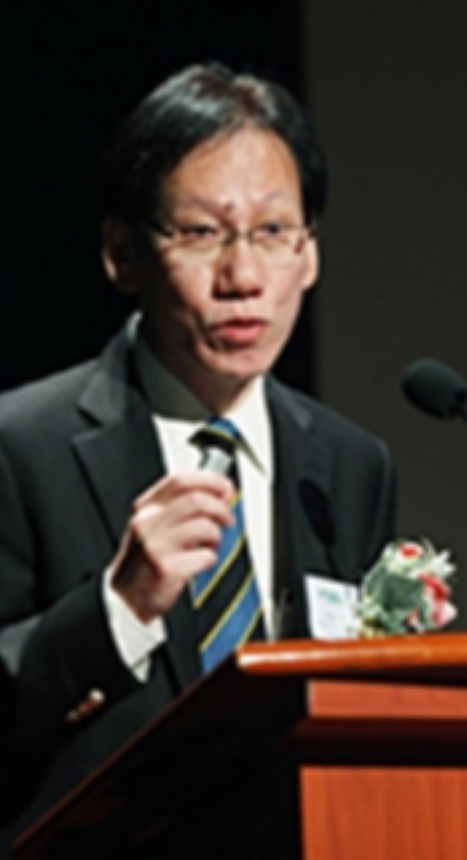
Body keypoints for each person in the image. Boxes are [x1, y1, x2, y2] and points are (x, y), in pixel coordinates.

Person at [0, 62, 396, 850]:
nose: (242, 278)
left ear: (310, 254)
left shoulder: (352, 466)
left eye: (273, 232)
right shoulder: (21, 446)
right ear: (123, 253)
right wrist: (118, 608)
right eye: (201, 234)